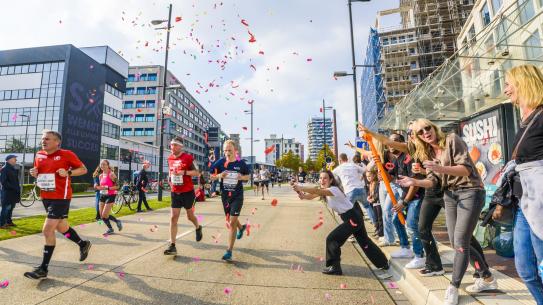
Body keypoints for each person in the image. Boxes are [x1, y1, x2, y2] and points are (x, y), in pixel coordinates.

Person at [397, 119, 497, 305]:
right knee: (456, 241)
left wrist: (439, 167)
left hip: (471, 191)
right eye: (420, 132)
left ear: (434, 128)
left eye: (428, 128)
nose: (426, 132)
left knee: (460, 242)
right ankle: (487, 277)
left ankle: (453, 286)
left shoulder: (452, 140)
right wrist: (416, 182)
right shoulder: (426, 152)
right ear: (417, 137)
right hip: (450, 194)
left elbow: (467, 170)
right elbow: (433, 181)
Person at [293, 170, 391, 279]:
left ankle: (335, 267)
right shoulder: (324, 191)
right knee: (364, 241)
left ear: (331, 180)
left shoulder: (333, 190)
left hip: (352, 217)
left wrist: (300, 187)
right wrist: (302, 195)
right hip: (353, 216)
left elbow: (316, 190)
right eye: (320, 178)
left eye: (325, 178)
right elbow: (310, 196)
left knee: (332, 239)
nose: (322, 180)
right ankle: (383, 263)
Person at [24, 130, 91, 279]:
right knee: (62, 227)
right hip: (46, 196)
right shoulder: (39, 155)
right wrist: (33, 172)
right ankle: (82, 244)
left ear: (57, 142)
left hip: (61, 196)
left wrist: (68, 173)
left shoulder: (67, 154)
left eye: (47, 139)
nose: (44, 141)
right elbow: (39, 172)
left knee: (47, 230)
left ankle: (43, 269)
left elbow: (83, 169)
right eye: (43, 139)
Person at [501, 65, 543, 303]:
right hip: (523, 203)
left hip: (540, 202)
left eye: (508, 84)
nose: (506, 90)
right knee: (526, 269)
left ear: (524, 82)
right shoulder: (525, 121)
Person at [387, 133, 425, 269]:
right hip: (406, 195)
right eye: (390, 142)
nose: (392, 144)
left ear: (402, 143)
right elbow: (391, 177)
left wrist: (404, 202)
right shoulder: (397, 160)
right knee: (396, 220)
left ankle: (420, 255)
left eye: (396, 141)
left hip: (418, 196)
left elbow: (415, 184)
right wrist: (381, 174)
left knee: (412, 224)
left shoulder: (409, 158)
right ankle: (405, 248)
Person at [210, 140, 250, 261]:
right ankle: (242, 228)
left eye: (230, 150)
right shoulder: (220, 162)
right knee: (231, 218)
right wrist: (219, 176)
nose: (227, 153)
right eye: (225, 150)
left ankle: (229, 251)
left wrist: (241, 177)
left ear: (235, 151)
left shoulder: (241, 163)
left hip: (237, 196)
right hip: (225, 196)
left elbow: (247, 177)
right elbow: (210, 175)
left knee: (232, 222)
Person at [164, 136, 203, 255]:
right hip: (175, 192)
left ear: (181, 146)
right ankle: (172, 245)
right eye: (171, 145)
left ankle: (198, 227)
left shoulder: (188, 158)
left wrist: (184, 172)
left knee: (190, 216)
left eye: (175, 145)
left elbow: (197, 172)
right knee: (173, 218)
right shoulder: (169, 158)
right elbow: (170, 171)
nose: (172, 147)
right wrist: (170, 179)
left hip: (187, 192)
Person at [332, 153, 376, 228]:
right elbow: (364, 171)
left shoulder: (338, 168)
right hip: (360, 189)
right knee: (367, 206)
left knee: (346, 210)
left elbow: (331, 176)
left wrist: (330, 167)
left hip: (350, 190)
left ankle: (349, 229)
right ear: (347, 159)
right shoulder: (353, 165)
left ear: (339, 160)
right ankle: (375, 224)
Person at [96, 160, 122, 235]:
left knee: (105, 215)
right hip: (102, 195)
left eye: (104, 164)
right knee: (102, 215)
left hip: (110, 196)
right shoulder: (100, 176)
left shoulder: (111, 174)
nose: (102, 166)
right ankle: (111, 228)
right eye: (101, 164)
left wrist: (107, 188)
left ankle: (116, 223)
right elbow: (101, 186)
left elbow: (118, 186)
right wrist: (98, 187)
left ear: (108, 165)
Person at [0, 155, 21, 228]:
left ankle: (9, 222)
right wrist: (14, 188)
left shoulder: (12, 169)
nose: (16, 160)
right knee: (6, 209)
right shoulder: (4, 169)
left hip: (13, 193)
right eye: (14, 159)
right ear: (9, 160)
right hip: (7, 193)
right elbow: (4, 182)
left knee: (10, 208)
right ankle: (2, 224)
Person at [366, 169, 383, 237]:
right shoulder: (370, 184)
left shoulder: (377, 183)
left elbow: (378, 193)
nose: (368, 178)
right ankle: (377, 230)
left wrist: (373, 199)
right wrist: (369, 197)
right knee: (375, 218)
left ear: (374, 175)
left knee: (379, 218)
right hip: (374, 203)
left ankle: (381, 233)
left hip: (378, 203)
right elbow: (370, 193)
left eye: (369, 176)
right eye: (367, 176)